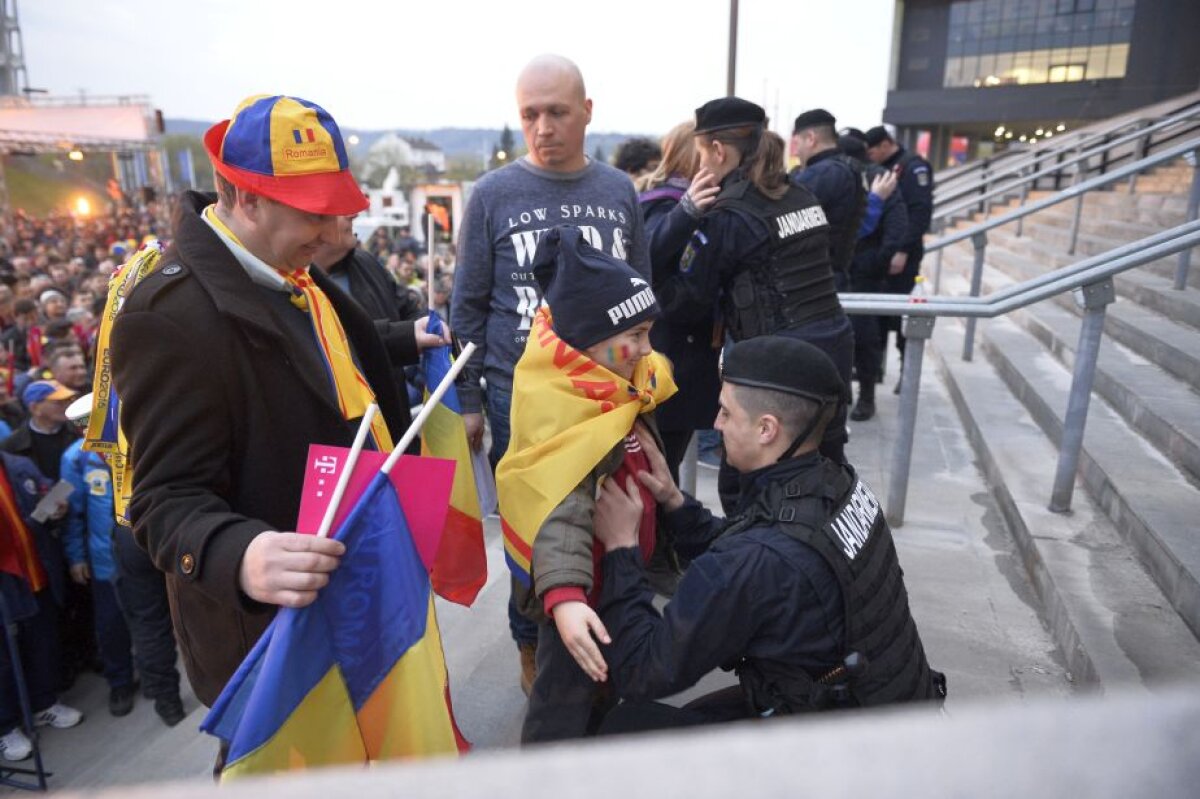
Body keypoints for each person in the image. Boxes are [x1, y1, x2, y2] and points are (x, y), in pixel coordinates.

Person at [110, 94, 410, 712]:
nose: (332, 231)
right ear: (247, 198)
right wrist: (239, 554)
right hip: (270, 640)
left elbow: (331, 369)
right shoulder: (168, 317)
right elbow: (162, 501)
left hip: (354, 592)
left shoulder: (287, 262)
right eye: (314, 213)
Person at [589, 336, 945, 734]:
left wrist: (621, 548)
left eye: (726, 412)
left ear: (766, 429)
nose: (716, 424)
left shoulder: (760, 557)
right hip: (885, 710)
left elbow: (641, 670)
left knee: (625, 727)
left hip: (851, 748)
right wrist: (674, 501)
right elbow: (749, 556)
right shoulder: (835, 485)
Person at [452, 54, 651, 693]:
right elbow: (467, 304)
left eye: (557, 112)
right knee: (531, 532)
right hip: (521, 404)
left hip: (607, 398)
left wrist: (646, 377)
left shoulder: (618, 191)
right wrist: (470, 400)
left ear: (587, 112)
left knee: (609, 519)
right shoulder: (493, 194)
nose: (543, 128)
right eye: (530, 114)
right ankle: (531, 643)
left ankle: (606, 630)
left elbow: (642, 289)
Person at [495, 226, 675, 742]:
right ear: (587, 342)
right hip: (580, 596)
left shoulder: (620, 386)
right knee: (562, 706)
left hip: (619, 579)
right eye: (635, 336)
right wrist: (567, 598)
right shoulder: (566, 415)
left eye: (649, 333)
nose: (648, 350)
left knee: (605, 688)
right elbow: (561, 512)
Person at [652, 97, 854, 506]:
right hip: (832, 350)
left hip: (778, 369)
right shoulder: (800, 193)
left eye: (701, 152)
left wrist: (656, 278)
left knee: (745, 489)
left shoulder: (729, 213)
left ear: (718, 150)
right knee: (826, 476)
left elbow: (686, 300)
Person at [636, 121, 721, 482]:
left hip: (676, 351)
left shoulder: (665, 198)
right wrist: (686, 211)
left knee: (664, 463)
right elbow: (648, 258)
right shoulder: (665, 203)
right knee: (660, 468)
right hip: (667, 351)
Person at [311, 213, 449, 411]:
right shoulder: (294, 282)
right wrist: (405, 337)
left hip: (391, 412)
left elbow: (408, 308)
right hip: (344, 419)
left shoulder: (365, 263)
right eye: (340, 209)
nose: (353, 214)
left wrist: (431, 329)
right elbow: (334, 341)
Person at [0, 451, 82, 762]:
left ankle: (44, 704)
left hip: (36, 572)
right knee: (3, 660)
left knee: (42, 643)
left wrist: (57, 506)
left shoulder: (18, 464)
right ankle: (5, 727)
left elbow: (47, 489)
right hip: (6, 584)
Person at [61, 438, 138, 717]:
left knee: (151, 618)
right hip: (105, 557)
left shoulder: (129, 436)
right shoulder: (74, 457)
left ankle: (157, 677)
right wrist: (76, 557)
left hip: (142, 549)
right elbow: (72, 513)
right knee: (110, 624)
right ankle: (120, 682)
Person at [840, 131, 908, 422]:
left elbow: (897, 223)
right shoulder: (837, 177)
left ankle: (866, 395)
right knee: (838, 337)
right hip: (836, 271)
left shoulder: (880, 178)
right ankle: (843, 391)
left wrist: (875, 262)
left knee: (865, 338)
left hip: (864, 274)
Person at [864, 126, 934, 390]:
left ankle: (907, 374)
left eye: (872, 151)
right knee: (878, 317)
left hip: (903, 256)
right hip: (883, 254)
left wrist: (902, 250)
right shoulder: (882, 168)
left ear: (885, 144)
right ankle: (875, 371)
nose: (870, 157)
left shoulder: (913, 167)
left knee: (903, 316)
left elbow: (920, 213)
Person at [789, 109, 868, 281]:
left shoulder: (821, 174)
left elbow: (788, 223)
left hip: (813, 278)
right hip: (833, 272)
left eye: (797, 143)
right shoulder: (849, 168)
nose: (796, 152)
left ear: (811, 138)